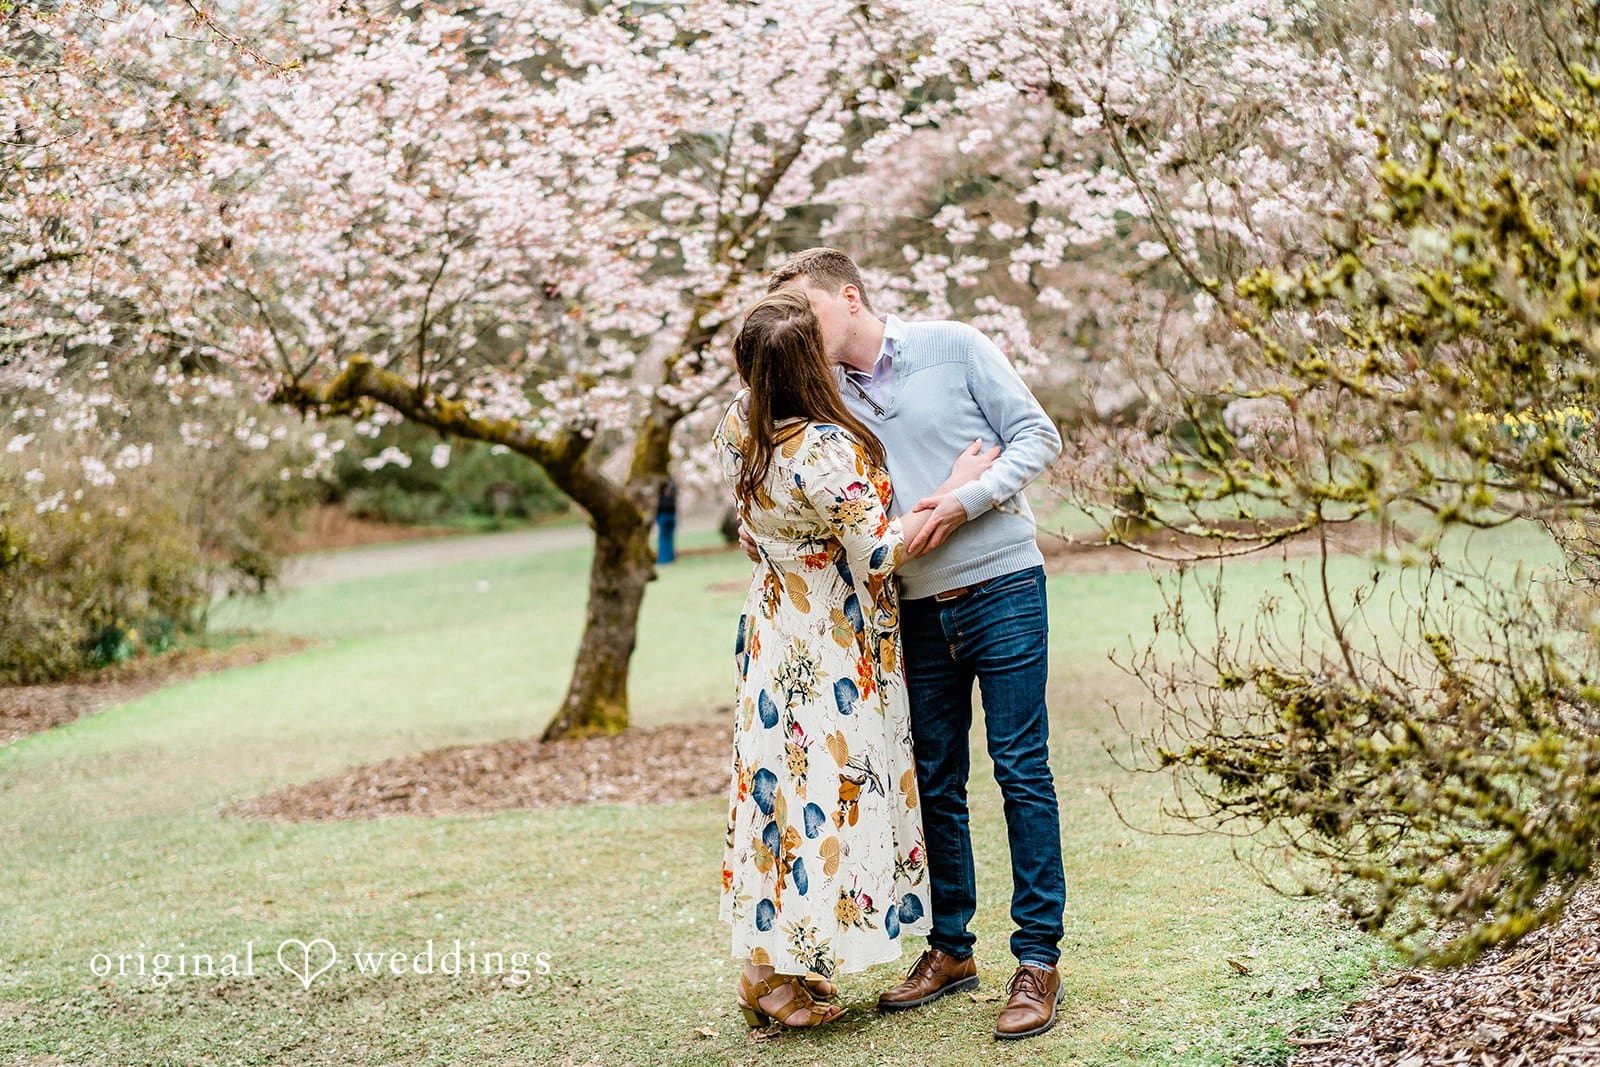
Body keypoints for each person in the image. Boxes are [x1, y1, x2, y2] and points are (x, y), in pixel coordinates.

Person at [751, 247, 1068, 1040]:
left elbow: (1036, 435)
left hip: (1002, 585)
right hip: (912, 610)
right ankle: (950, 947)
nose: (796, 327)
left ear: (849, 298)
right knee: (935, 779)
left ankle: (1037, 957)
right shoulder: (820, 404)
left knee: (1021, 768)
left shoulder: (952, 345)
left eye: (805, 310)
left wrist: (966, 498)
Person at [713, 289, 999, 1030]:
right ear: (810, 367)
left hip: (773, 632)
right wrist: (953, 491)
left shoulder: (738, 434)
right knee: (821, 797)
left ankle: (778, 967)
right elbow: (876, 552)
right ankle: (767, 975)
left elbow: (766, 525)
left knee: (778, 793)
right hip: (826, 646)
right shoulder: (824, 448)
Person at [655, 475, 677, 564]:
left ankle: (663, 559)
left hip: (663, 516)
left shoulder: (660, 496)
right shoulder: (672, 491)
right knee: (669, 538)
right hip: (671, 515)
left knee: (663, 538)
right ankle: (670, 557)